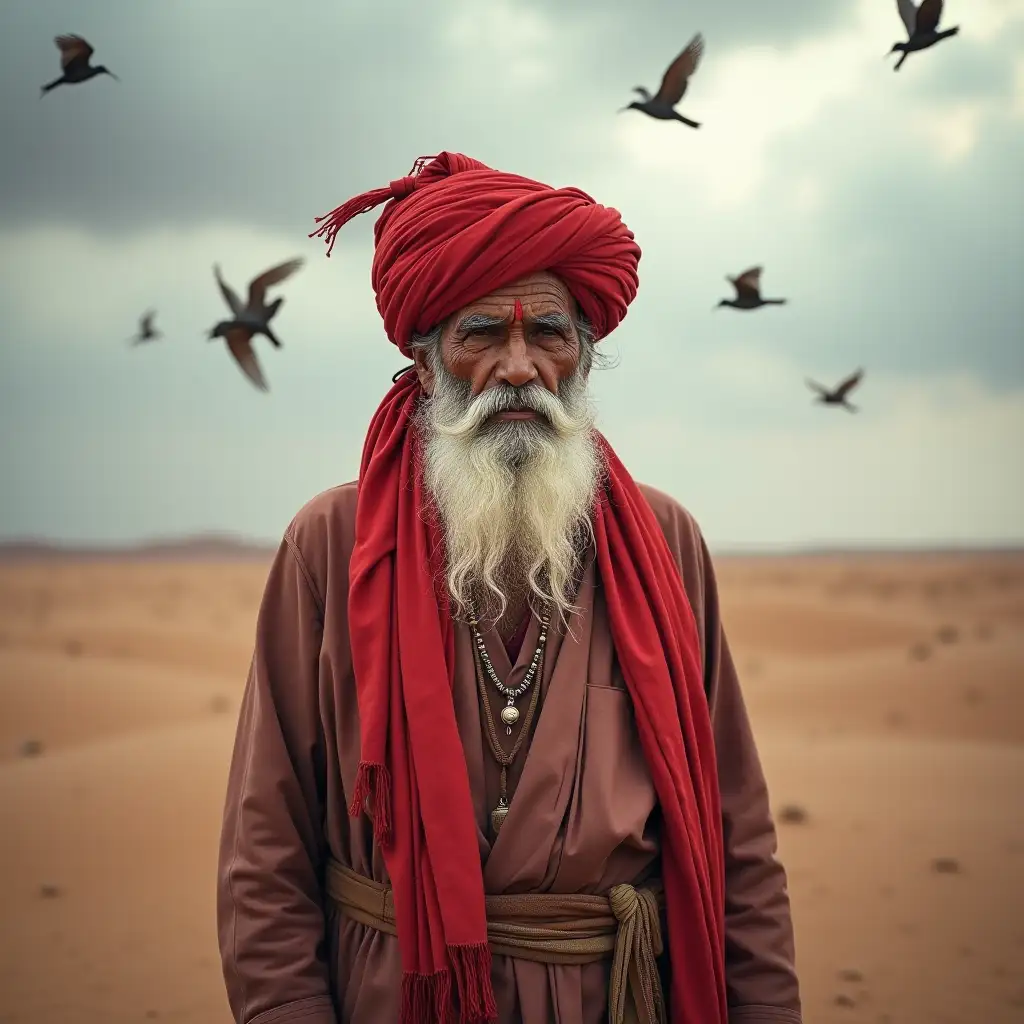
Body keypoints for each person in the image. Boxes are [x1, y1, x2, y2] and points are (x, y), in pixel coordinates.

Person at [216, 152, 802, 1024]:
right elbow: (266, 857)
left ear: (585, 361)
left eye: (549, 335)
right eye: (482, 333)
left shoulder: (666, 543)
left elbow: (738, 838)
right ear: (426, 363)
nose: (518, 367)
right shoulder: (332, 546)